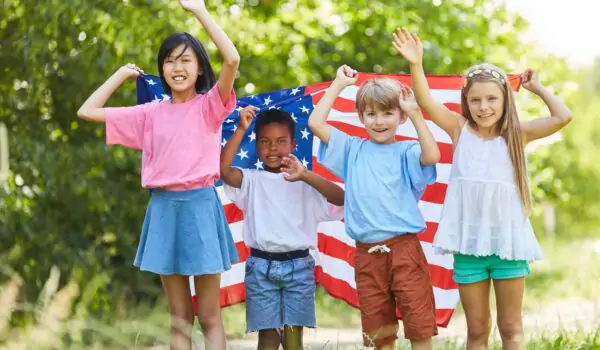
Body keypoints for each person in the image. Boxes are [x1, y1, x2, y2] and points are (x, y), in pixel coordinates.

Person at [393, 27, 573, 350]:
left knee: (511, 328)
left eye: (492, 99)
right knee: (477, 331)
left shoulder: (517, 135)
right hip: (469, 249)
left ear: (505, 100)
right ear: (466, 102)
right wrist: (416, 65)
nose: (484, 107)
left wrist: (537, 87)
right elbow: (425, 101)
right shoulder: (459, 129)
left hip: (508, 247)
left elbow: (563, 116)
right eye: (475, 100)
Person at [76, 1, 240, 349]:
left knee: (209, 316)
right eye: (169, 60)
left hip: (200, 209)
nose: (177, 67)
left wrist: (200, 11)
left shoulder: (211, 105)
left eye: (185, 60)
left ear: (199, 69)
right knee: (179, 316)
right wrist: (121, 75)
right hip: (164, 210)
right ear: (161, 69)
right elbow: (87, 111)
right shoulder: (149, 113)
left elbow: (232, 60)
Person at [308, 64, 441, 350]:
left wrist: (417, 113)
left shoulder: (406, 151)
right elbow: (316, 124)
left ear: (400, 116)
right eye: (371, 114)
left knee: (418, 325)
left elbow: (432, 155)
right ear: (361, 117)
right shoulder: (352, 150)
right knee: (379, 332)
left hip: (404, 250)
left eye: (387, 113)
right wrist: (338, 85)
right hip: (367, 254)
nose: (379, 121)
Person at [221, 106, 344, 350]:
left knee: (292, 337)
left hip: (299, 267)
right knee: (267, 336)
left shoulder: (306, 183)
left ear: (294, 144)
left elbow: (340, 198)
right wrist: (241, 129)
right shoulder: (252, 180)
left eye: (281, 141)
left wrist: (306, 175)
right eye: (265, 141)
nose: (273, 148)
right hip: (260, 268)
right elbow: (224, 171)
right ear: (257, 145)